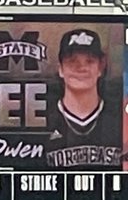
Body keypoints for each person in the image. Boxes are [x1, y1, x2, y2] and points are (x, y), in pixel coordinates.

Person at [46, 29, 122, 168]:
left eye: (89, 61)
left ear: (100, 68)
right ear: (60, 69)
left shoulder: (121, 121)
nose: (81, 68)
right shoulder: (44, 120)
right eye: (72, 61)